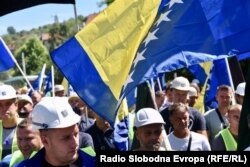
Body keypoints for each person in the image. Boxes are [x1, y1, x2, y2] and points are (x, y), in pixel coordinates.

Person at [16, 97, 96, 167]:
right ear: (45, 141)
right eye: (66, 138)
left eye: (76, 134)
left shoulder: (93, 163)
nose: (75, 143)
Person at [0, 84, 21, 160]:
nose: (4, 108)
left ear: (16, 105)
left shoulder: (28, 126)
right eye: (0, 105)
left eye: (8, 104)